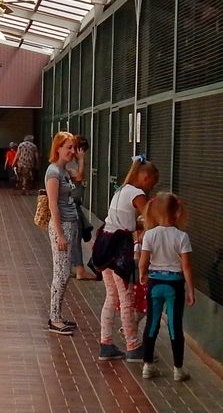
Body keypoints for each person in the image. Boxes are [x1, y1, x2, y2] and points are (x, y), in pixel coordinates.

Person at [94, 155, 160, 362]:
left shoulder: (121, 190)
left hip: (105, 244)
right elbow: (151, 219)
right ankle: (133, 345)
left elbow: (129, 222)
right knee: (126, 298)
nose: (150, 188)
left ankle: (106, 343)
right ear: (145, 177)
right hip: (120, 249)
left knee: (111, 296)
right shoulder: (137, 194)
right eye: (152, 183)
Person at [138, 192, 195, 382]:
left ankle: (147, 366)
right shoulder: (182, 236)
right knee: (174, 325)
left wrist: (143, 274)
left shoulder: (149, 234)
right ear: (177, 211)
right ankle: (178, 369)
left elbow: (143, 262)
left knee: (152, 323)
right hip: (175, 284)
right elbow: (186, 266)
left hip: (154, 282)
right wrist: (191, 290)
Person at [44, 132, 81, 335]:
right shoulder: (54, 173)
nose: (72, 151)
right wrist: (60, 234)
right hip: (63, 225)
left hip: (70, 223)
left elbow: (80, 178)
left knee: (65, 272)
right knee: (61, 273)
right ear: (58, 148)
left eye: (74, 148)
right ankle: (54, 319)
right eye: (68, 147)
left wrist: (81, 160)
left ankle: (57, 314)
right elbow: (53, 205)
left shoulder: (64, 170)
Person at [67, 135, 98, 281]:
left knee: (76, 234)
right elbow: (79, 176)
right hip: (71, 203)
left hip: (74, 201)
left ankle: (71, 266)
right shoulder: (72, 160)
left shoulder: (72, 160)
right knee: (76, 235)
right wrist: (81, 160)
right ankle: (80, 269)